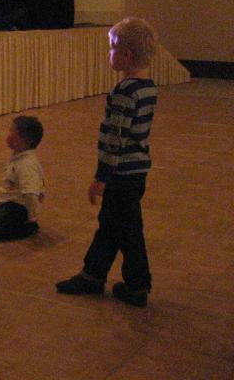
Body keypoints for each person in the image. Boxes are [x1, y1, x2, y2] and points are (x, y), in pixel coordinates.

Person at [56, 18, 158, 307]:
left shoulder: (125, 92)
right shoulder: (148, 88)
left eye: (112, 48)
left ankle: (137, 285)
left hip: (121, 173)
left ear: (125, 55)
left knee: (127, 230)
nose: (109, 53)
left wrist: (102, 176)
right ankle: (93, 275)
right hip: (136, 171)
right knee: (112, 226)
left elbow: (116, 139)